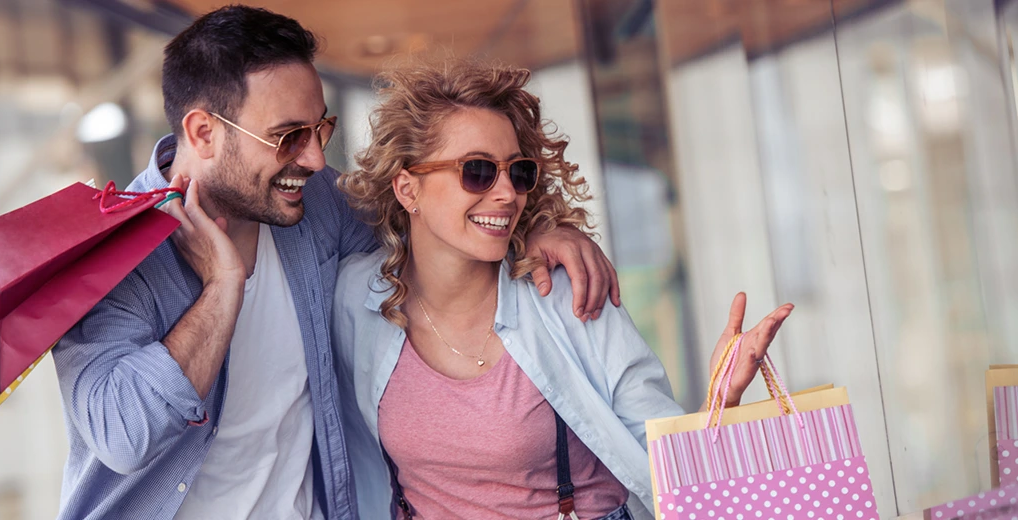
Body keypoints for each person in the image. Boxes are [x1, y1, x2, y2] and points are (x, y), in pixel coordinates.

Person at [51, 7, 617, 520]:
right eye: (288, 136)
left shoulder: (314, 203)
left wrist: (537, 225)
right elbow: (121, 434)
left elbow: (436, 216)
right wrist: (224, 287)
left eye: (320, 128)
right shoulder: (111, 256)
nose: (316, 158)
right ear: (204, 132)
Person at [332, 59, 795, 519]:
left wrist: (722, 399)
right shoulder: (356, 298)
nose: (507, 193)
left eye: (518, 173)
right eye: (477, 170)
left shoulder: (564, 292)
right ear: (407, 189)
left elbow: (664, 455)